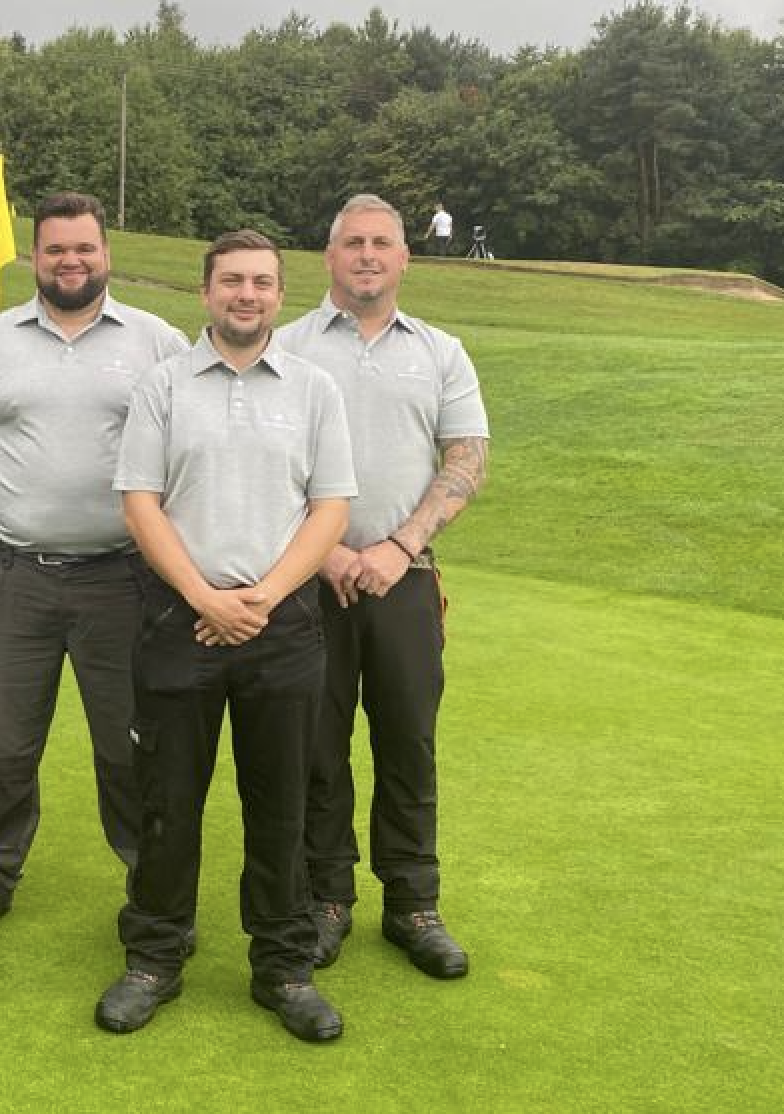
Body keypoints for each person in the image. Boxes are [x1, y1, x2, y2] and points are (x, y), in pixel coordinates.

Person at [97, 230, 356, 1043]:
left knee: (279, 803)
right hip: (181, 621)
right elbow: (140, 501)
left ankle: (282, 967)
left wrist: (263, 598)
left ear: (281, 295)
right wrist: (206, 597)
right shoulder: (164, 385)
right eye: (233, 281)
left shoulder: (314, 389)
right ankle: (154, 958)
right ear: (206, 293)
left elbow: (331, 509)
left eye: (263, 283)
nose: (248, 294)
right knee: (166, 800)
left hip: (284, 627)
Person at [0, 191, 188, 946]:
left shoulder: (159, 343)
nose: (70, 261)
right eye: (54, 250)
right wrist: (11, 481)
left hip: (126, 579)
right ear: (34, 256)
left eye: (84, 248)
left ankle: (152, 885)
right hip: (15, 574)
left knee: (130, 742)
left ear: (106, 254)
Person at [279, 193, 490, 979]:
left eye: (382, 244)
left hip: (404, 578)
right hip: (308, 577)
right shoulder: (290, 346)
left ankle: (412, 901)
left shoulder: (440, 351)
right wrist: (326, 549)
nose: (367, 255)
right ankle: (326, 896)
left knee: (407, 740)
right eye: (352, 243)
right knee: (316, 745)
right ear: (328, 257)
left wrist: (403, 544)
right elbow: (268, 463)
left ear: (405, 258)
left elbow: (467, 459)